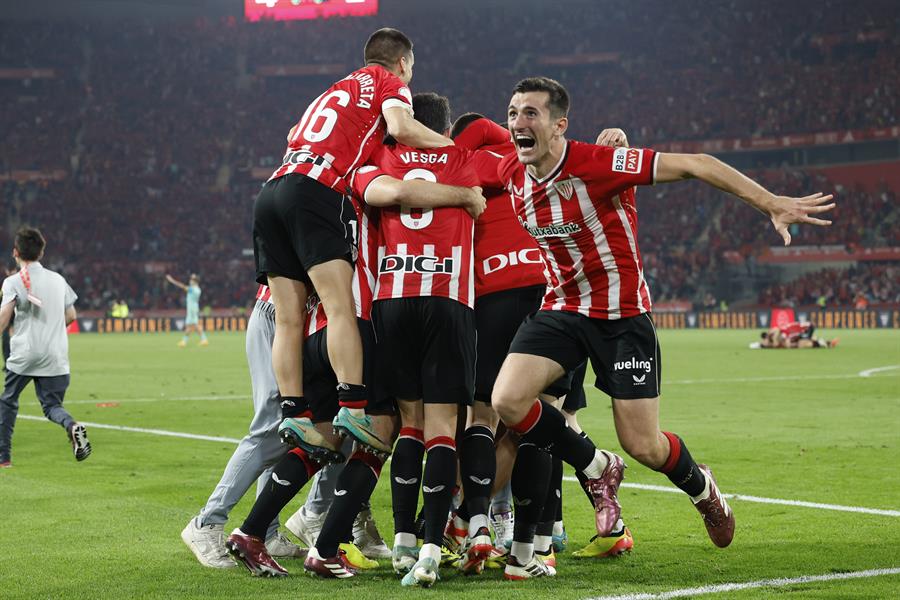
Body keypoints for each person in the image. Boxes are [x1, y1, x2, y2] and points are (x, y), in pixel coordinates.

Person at [492, 77, 835, 578]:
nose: (518, 122)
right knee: (507, 400)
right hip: (562, 309)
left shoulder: (598, 163)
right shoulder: (509, 171)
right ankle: (596, 466)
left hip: (622, 315)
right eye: (512, 112)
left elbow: (699, 164)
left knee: (644, 445)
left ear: (559, 125)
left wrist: (769, 202)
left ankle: (702, 488)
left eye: (531, 114)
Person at [224, 148, 486, 578]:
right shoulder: (371, 184)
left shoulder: (329, 190)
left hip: (314, 330)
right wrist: (464, 194)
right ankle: (328, 547)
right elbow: (399, 192)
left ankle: (251, 532)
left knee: (320, 440)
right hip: (354, 326)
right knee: (378, 436)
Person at [253, 28, 454, 458]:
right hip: (317, 191)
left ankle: (294, 413)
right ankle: (353, 406)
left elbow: (293, 132)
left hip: (273, 190)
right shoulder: (388, 82)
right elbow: (401, 126)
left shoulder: (331, 90)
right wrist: (450, 148)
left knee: (288, 318)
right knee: (339, 304)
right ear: (402, 62)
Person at [181, 284, 305, 569]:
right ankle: (206, 522)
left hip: (295, 316)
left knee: (288, 430)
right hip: (278, 314)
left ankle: (267, 531)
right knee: (271, 426)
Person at [0, 227, 91, 467]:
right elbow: (71, 315)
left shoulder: (12, 282)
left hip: (25, 353)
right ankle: (71, 425)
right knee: (52, 406)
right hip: (55, 355)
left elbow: (3, 319)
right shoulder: (58, 280)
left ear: (15, 252)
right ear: (41, 252)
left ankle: (3, 457)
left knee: (8, 400)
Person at [166, 273, 208, 346]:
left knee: (195, 324)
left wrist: (172, 280)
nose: (190, 281)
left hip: (192, 309)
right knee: (189, 326)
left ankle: (204, 339)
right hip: (191, 309)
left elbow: (182, 286)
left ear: (195, 281)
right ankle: (184, 341)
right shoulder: (195, 289)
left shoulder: (194, 290)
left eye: (191, 280)